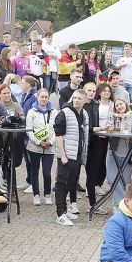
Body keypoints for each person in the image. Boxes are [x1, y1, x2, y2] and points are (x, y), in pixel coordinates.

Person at [54, 89, 89, 226]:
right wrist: (63, 155)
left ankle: (66, 210)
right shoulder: (64, 113)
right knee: (61, 183)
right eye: (74, 98)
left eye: (79, 98)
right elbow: (58, 134)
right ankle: (60, 213)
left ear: (85, 100)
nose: (76, 100)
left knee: (71, 183)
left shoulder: (84, 114)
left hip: (77, 154)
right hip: (67, 154)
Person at [25, 88, 57, 206]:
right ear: (37, 97)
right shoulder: (31, 112)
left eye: (46, 97)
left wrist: (51, 142)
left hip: (49, 147)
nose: (44, 99)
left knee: (47, 172)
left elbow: (56, 129)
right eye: (41, 97)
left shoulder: (54, 112)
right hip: (35, 147)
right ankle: (36, 194)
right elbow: (29, 130)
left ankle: (47, 194)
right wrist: (38, 142)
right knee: (34, 171)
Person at [105, 98, 132, 209]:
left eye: (121, 104)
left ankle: (121, 204)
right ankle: (120, 204)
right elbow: (109, 129)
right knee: (111, 178)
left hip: (128, 155)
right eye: (117, 105)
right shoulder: (113, 117)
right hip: (113, 153)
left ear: (125, 104)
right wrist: (116, 120)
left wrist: (127, 117)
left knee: (125, 180)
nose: (119, 106)